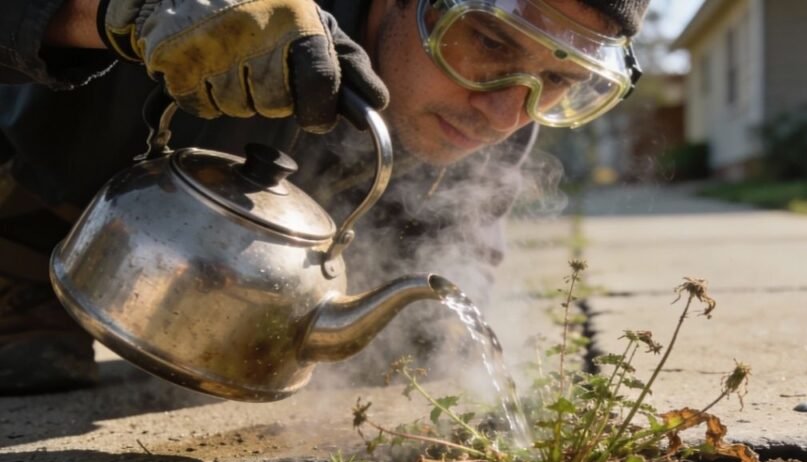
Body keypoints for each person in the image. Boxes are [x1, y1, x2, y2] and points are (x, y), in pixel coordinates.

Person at [0, 0, 649, 394]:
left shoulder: (503, 111)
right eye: (487, 40)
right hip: (41, 179)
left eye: (562, 78)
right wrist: (130, 13)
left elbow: (456, 274)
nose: (507, 113)